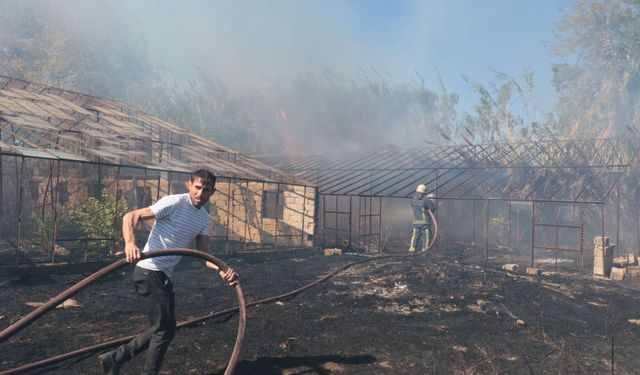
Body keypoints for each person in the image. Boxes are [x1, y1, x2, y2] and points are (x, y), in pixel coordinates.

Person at [98, 169, 237, 375]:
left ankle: (114, 359)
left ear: (212, 193)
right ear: (190, 185)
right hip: (149, 271)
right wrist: (130, 243)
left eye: (205, 190)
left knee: (164, 328)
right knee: (164, 330)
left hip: (162, 276)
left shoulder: (203, 218)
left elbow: (204, 255)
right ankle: (125, 363)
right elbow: (131, 216)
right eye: (197, 187)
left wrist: (222, 270)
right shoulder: (174, 202)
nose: (200, 193)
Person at [408, 183, 436, 253]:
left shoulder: (413, 199)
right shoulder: (426, 200)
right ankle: (424, 252)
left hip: (416, 222)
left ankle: (411, 251)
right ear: (423, 192)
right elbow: (432, 208)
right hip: (425, 223)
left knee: (415, 237)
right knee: (426, 237)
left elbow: (413, 207)